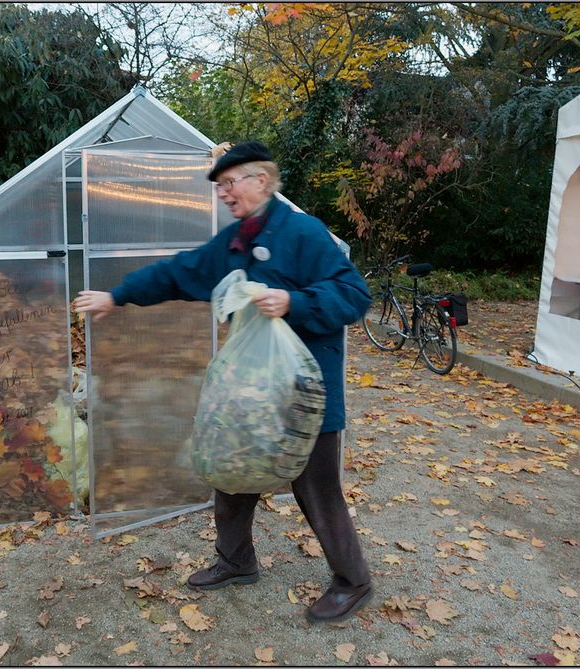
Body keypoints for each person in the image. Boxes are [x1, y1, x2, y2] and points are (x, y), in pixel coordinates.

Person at [73, 140, 373, 623]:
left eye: (231, 182)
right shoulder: (233, 242)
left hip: (304, 391)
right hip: (250, 391)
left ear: (263, 180)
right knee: (233, 470)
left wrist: (294, 302)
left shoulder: (304, 233)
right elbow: (178, 272)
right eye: (218, 186)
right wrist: (117, 296)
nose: (224, 193)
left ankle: (353, 580)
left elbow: (353, 296)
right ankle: (236, 561)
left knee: (315, 486)